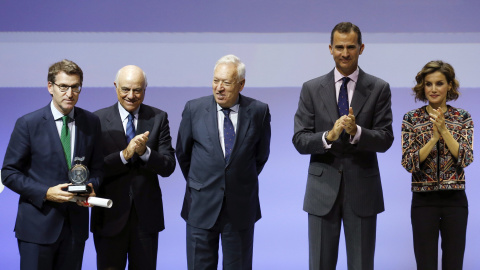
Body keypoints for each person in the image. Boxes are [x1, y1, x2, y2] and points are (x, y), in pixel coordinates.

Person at [292, 22, 394, 270]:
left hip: (362, 190)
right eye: (339, 47)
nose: (345, 53)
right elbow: (300, 140)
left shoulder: (379, 88)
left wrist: (356, 132)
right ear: (330, 48)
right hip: (321, 191)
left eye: (351, 47)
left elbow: (385, 138)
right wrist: (329, 135)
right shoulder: (312, 88)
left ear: (361, 48)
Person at [1, 59, 103, 270]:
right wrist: (46, 192)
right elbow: (8, 173)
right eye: (63, 86)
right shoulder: (28, 124)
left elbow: (98, 167)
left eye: (75, 87)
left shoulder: (91, 122)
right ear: (50, 87)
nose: (70, 93)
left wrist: (92, 186)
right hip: (37, 228)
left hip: (75, 227)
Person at [176, 54, 271, 270]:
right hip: (200, 207)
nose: (219, 88)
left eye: (226, 83)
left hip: (240, 209)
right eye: (215, 81)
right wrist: (202, 182)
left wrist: (235, 179)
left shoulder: (258, 112)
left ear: (241, 84)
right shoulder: (194, 109)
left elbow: (260, 156)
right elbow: (183, 153)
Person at [91, 65, 176, 269]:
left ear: (145, 89)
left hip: (146, 220)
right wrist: (124, 155)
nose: (131, 95)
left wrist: (145, 153)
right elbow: (94, 168)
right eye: (125, 89)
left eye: (137, 90)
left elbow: (168, 166)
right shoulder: (97, 120)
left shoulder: (158, 118)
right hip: (109, 217)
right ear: (115, 87)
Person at [401, 60, 473, 270]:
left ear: (449, 85)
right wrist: (432, 139)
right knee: (425, 264)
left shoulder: (463, 118)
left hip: (455, 201)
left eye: (439, 83)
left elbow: (466, 158)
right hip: (424, 201)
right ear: (422, 86)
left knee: (454, 264)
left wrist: (444, 130)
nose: (433, 89)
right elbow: (408, 163)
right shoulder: (411, 119)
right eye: (429, 84)